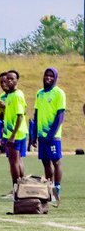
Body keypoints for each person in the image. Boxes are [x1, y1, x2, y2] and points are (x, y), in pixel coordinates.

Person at [34, 67, 66, 206]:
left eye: (51, 76)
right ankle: (49, 189)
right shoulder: (39, 94)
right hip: (42, 136)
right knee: (46, 162)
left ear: (55, 78)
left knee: (56, 161)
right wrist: (34, 134)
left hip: (53, 136)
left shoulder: (59, 93)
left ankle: (57, 189)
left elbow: (60, 116)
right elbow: (36, 114)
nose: (48, 78)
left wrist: (51, 134)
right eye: (46, 75)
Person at [0, 70, 27, 196]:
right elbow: (4, 116)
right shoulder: (9, 96)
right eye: (7, 79)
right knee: (17, 160)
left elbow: (20, 116)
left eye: (11, 79)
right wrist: (2, 108)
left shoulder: (17, 95)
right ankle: (21, 188)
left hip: (16, 133)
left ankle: (17, 190)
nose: (9, 81)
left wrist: (13, 135)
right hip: (11, 133)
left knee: (13, 162)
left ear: (17, 80)